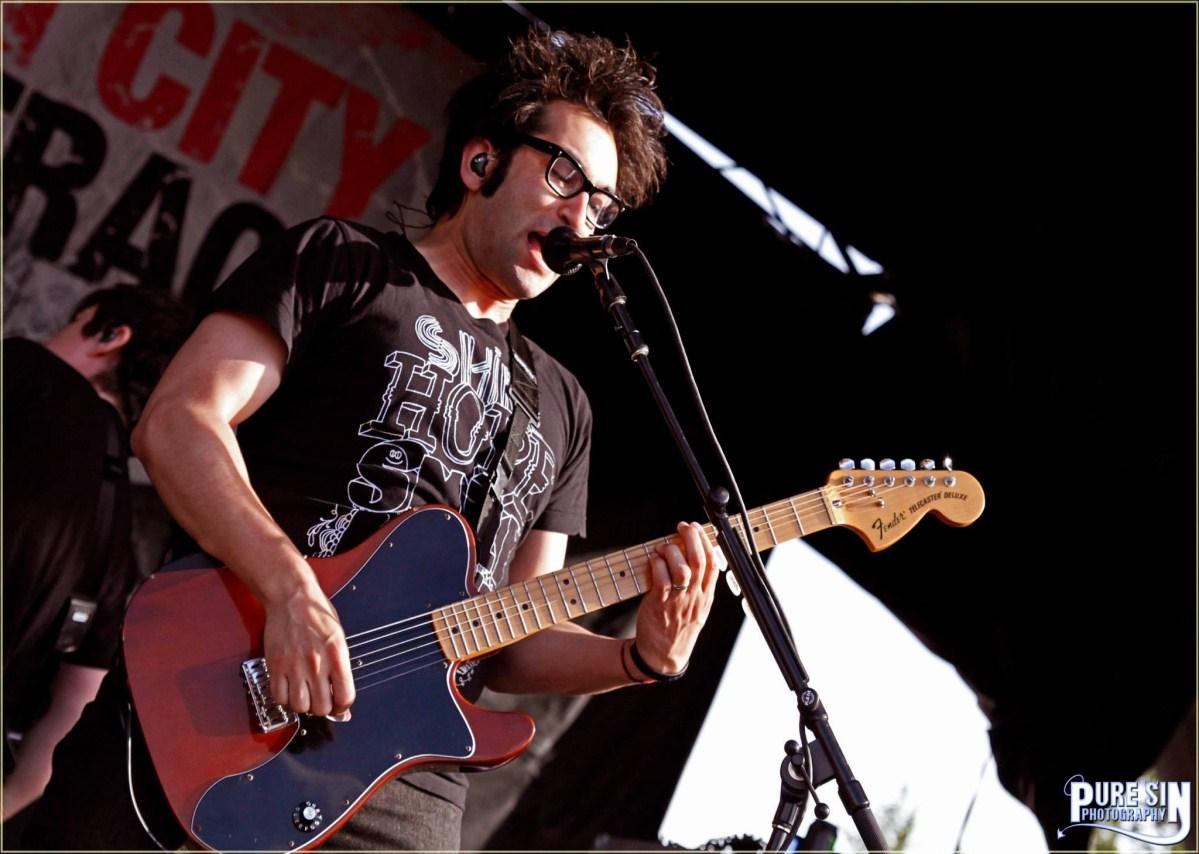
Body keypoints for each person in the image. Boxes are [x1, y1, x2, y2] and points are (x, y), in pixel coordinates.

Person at [16, 27, 719, 850]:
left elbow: (512, 633)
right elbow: (178, 420)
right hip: (213, 706)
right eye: (564, 174)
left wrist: (637, 658)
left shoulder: (564, 405)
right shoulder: (343, 266)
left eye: (600, 204)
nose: (581, 215)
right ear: (480, 162)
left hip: (403, 795)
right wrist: (291, 594)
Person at [2, 285, 190, 822]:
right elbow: (65, 723)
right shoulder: (118, 546)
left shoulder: (23, 369)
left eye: (72, 321)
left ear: (110, 334)